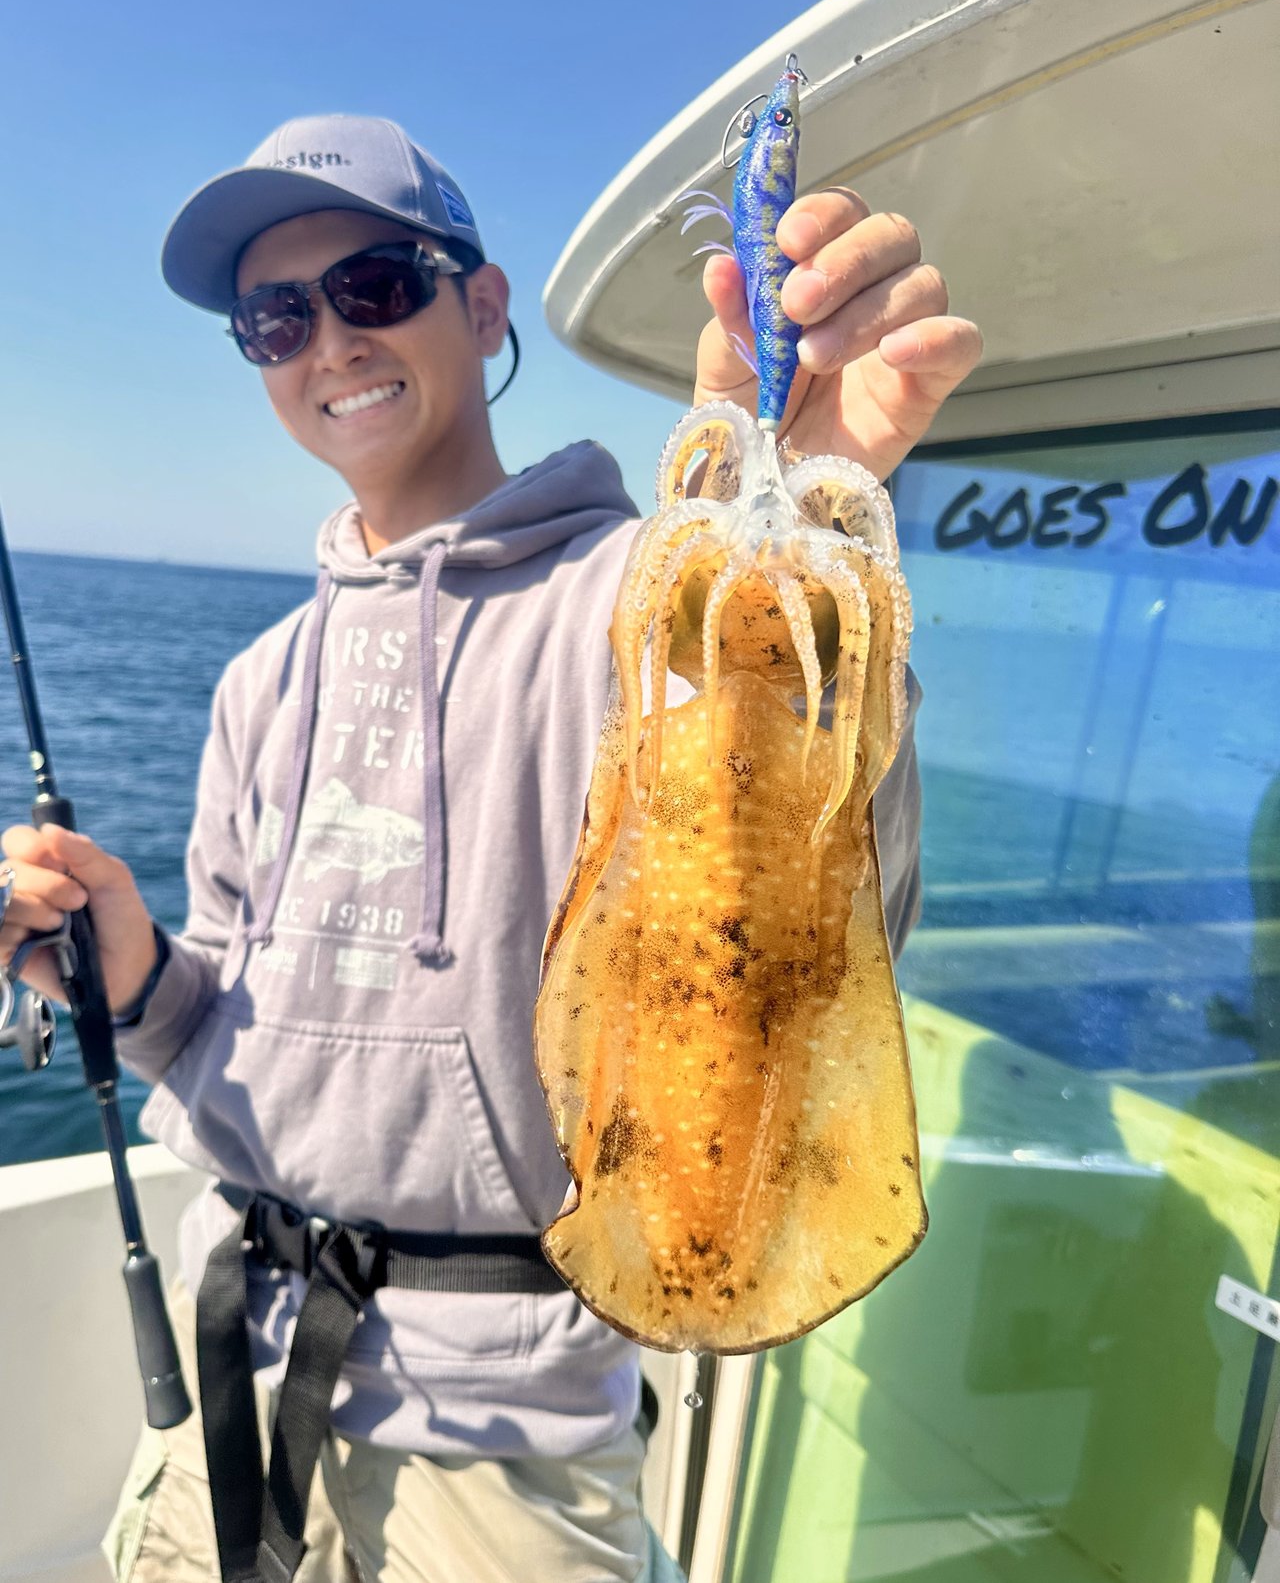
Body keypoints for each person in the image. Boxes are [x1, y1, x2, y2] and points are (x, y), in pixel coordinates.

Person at [0, 114, 982, 1582]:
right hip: (231, 1383)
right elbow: (213, 1028)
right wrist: (128, 970)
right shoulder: (258, 680)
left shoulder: (640, 603)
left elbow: (806, 930)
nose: (330, 341)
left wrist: (792, 574)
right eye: (275, 318)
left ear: (481, 304)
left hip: (501, 1441)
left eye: (374, 285)